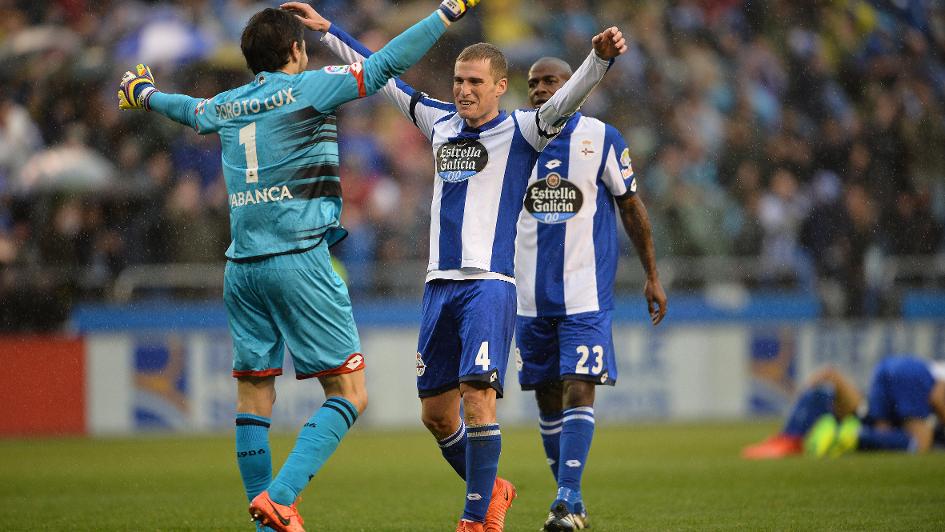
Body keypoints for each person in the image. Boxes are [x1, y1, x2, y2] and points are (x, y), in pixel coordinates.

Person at [117, 2, 480, 531]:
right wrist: (444, 14)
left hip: (241, 268)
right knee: (349, 393)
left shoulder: (228, 102)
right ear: (295, 50)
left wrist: (143, 94)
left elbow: (188, 110)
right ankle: (281, 499)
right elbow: (383, 66)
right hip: (300, 260)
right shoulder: (310, 87)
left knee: (254, 393)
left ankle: (266, 524)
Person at [292, 3, 626, 529]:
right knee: (436, 415)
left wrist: (597, 61)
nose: (463, 90)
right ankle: (494, 491)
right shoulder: (438, 122)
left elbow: (565, 100)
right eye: (458, 80)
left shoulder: (524, 131)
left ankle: (477, 519)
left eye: (475, 81)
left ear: (499, 86)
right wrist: (329, 31)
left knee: (478, 400)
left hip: (489, 287)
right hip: (438, 288)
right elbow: (380, 72)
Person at [513, 57, 667, 532]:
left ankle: (566, 498)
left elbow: (631, 207)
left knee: (581, 384)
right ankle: (570, 505)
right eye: (534, 83)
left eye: (551, 81)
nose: (540, 89)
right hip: (528, 297)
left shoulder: (602, 138)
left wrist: (651, 274)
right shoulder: (513, 137)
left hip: (585, 294)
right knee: (545, 397)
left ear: (574, 85)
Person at [742, 355, 945, 460]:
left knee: (870, 418)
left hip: (890, 366)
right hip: (915, 373)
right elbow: (938, 395)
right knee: (919, 444)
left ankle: (789, 437)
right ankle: (854, 435)